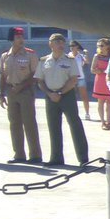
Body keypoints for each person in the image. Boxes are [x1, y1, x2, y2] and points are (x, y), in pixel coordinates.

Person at [34, 32, 89, 166]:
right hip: (50, 96)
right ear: (50, 44)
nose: (61, 45)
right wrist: (50, 93)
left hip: (66, 95)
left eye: (62, 42)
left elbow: (73, 79)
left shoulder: (70, 60)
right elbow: (40, 81)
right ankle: (56, 158)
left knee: (75, 124)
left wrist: (60, 92)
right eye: (57, 42)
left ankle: (83, 158)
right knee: (53, 127)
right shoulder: (43, 61)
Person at [0, 26, 42, 164]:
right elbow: (2, 75)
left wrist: (21, 86)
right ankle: (19, 154)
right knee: (14, 123)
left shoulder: (30, 54)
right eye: (17, 37)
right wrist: (1, 93)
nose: (21, 40)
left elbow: (35, 75)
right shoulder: (5, 56)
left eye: (22, 37)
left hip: (25, 91)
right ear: (12, 39)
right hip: (11, 91)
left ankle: (35, 155)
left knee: (29, 123)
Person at [91, 38, 110, 130]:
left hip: (109, 80)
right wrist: (100, 71)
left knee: (109, 102)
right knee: (100, 101)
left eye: (101, 45)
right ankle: (103, 122)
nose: (99, 47)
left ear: (107, 46)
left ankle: (109, 121)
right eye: (98, 46)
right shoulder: (97, 56)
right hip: (100, 80)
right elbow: (92, 69)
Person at [69, 40, 90, 120]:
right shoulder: (68, 55)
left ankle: (87, 113)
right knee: (72, 97)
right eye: (70, 46)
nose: (71, 47)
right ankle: (73, 114)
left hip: (80, 78)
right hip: (71, 78)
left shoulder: (80, 56)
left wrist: (86, 54)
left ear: (77, 46)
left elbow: (87, 62)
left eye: (73, 46)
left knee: (84, 97)